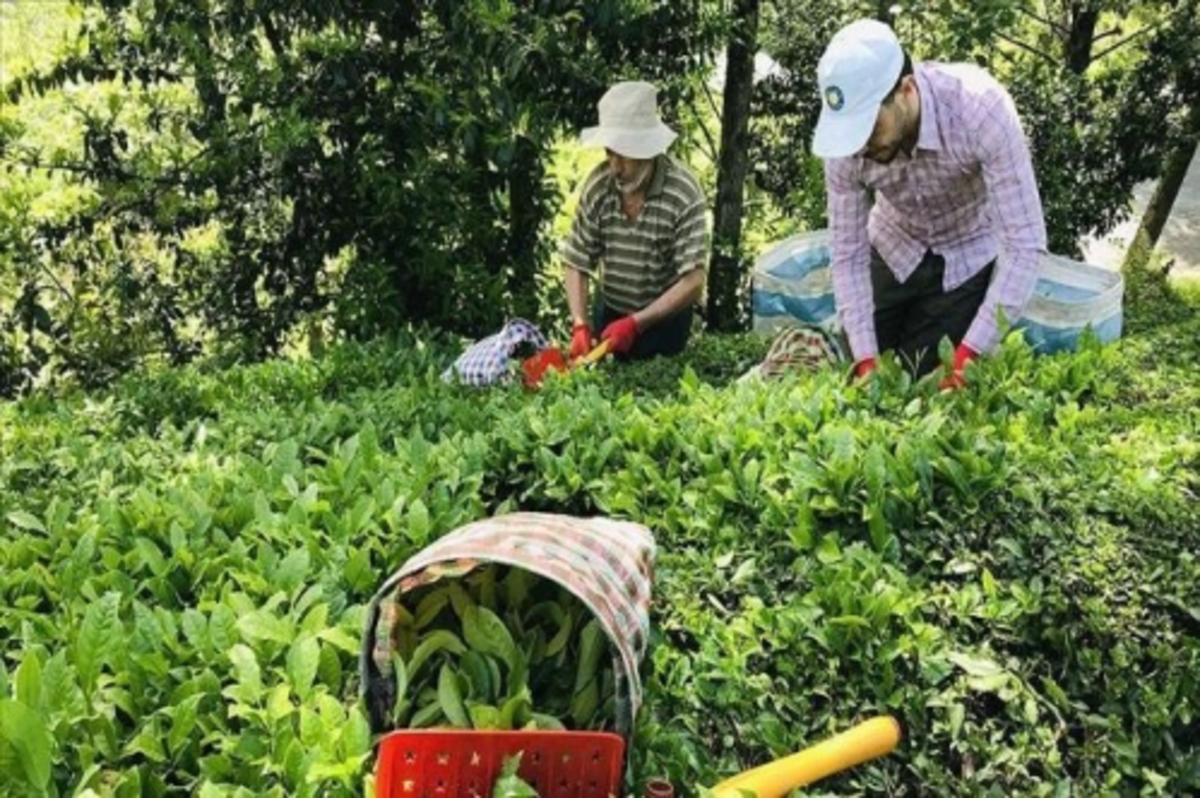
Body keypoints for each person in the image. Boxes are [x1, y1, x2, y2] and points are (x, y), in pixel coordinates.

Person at [811, 19, 1048, 388]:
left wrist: (971, 354)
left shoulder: (981, 111)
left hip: (965, 252)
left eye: (871, 130)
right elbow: (848, 253)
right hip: (894, 242)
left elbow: (1024, 244)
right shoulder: (846, 145)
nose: (860, 147)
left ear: (906, 90)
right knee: (853, 371)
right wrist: (864, 360)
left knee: (924, 381)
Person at [561, 80, 708, 361]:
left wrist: (637, 323)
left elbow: (693, 281)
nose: (615, 167)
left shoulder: (683, 192)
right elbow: (576, 260)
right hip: (611, 315)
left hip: (665, 322)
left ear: (647, 150)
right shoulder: (599, 186)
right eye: (609, 152)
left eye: (624, 155)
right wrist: (579, 323)